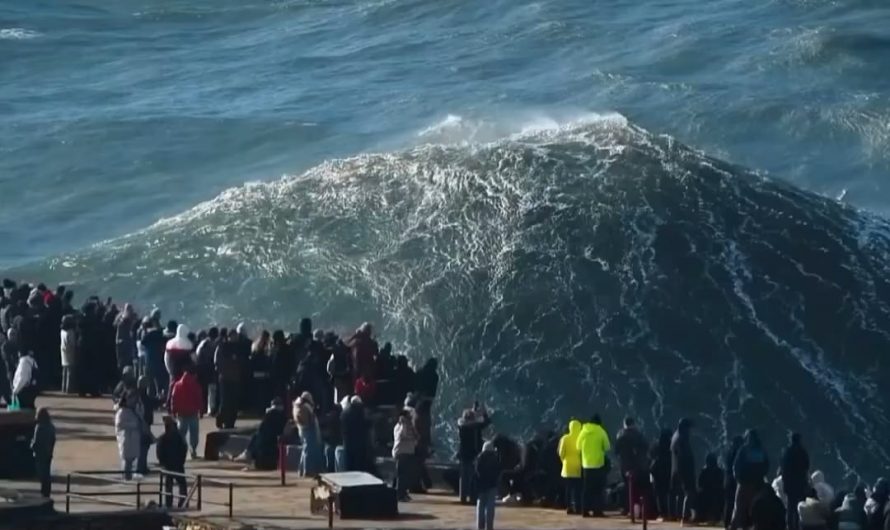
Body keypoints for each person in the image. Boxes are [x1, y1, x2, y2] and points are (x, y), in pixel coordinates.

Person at [733, 429, 771, 530]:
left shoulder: (744, 450)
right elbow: (766, 466)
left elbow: (736, 466)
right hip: (757, 484)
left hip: (745, 483)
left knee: (740, 508)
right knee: (755, 509)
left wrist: (738, 479)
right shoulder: (761, 450)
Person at [236, 398, 289, 470]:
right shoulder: (283, 418)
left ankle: (247, 453)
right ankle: (248, 453)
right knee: (257, 436)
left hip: (267, 455)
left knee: (256, 436)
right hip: (270, 454)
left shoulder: (269, 417)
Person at [577, 415, 611, 518]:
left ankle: (585, 511)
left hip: (586, 465)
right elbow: (607, 447)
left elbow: (578, 446)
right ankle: (597, 511)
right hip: (598, 465)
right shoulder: (601, 431)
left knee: (587, 490)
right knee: (598, 490)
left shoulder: (583, 431)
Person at [614, 417, 649, 516]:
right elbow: (646, 447)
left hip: (625, 466)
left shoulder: (621, 435)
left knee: (627, 487)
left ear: (624, 424)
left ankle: (628, 509)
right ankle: (638, 509)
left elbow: (616, 451)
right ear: (633, 424)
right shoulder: (639, 435)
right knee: (637, 488)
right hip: (638, 466)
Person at [458, 405, 491, 505]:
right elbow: (487, 421)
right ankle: (473, 498)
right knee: (473, 477)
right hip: (473, 454)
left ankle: (463, 498)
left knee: (464, 477)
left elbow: (468, 421)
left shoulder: (461, 426)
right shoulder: (475, 427)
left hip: (463, 454)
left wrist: (473, 411)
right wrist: (483, 413)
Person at [170, 366, 202, 459]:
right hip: (193, 412)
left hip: (181, 413)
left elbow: (174, 399)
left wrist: (173, 410)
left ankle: (181, 449)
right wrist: (201, 410)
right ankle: (193, 450)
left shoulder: (177, 385)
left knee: (181, 433)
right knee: (194, 433)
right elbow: (199, 398)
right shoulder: (195, 385)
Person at [156, 416, 188, 508]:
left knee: (169, 485)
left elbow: (159, 452)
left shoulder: (163, 438)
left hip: (169, 465)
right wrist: (182, 460)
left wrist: (162, 462)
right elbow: (184, 449)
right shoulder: (179, 437)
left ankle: (170, 503)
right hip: (177, 464)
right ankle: (182, 503)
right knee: (181, 484)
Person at [781, 433, 811, 530]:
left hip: (790, 485)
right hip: (801, 484)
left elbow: (783, 469)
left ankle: (790, 527)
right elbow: (807, 467)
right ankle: (799, 526)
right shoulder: (803, 452)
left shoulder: (787, 452)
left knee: (790, 507)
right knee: (800, 507)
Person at [215, 329, 242, 429]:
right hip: (225, 378)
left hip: (235, 378)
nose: (235, 338)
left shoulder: (238, 347)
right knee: (225, 401)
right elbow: (219, 362)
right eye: (233, 336)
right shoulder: (222, 347)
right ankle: (221, 418)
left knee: (233, 401)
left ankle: (230, 422)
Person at [294, 392, 324, 477]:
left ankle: (301, 470)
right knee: (308, 451)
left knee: (305, 451)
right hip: (308, 431)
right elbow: (310, 420)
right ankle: (307, 470)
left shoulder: (297, 405)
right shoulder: (306, 407)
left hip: (302, 430)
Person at [671, 418, 696, 523]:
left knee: (680, 493)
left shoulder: (675, 436)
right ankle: (685, 516)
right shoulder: (683, 438)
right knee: (689, 492)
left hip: (676, 469)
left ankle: (678, 514)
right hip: (684, 469)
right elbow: (685, 456)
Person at [115, 391, 143, 480]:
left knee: (131, 459)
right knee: (127, 459)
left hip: (133, 437)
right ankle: (126, 477)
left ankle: (128, 476)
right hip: (126, 437)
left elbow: (141, 418)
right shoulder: (122, 411)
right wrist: (134, 424)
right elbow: (120, 424)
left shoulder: (134, 410)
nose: (133, 400)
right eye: (131, 398)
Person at [393, 408, 419, 502]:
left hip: (409, 451)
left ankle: (404, 492)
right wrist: (404, 424)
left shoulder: (410, 426)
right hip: (401, 452)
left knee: (407, 475)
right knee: (401, 475)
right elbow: (402, 436)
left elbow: (416, 436)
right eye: (408, 416)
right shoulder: (399, 426)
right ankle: (399, 494)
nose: (410, 417)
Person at [558, 419, 583, 514]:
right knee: (577, 489)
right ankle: (578, 507)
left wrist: (563, 461)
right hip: (578, 466)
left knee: (568, 488)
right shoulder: (580, 438)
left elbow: (561, 453)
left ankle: (568, 507)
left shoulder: (565, 438)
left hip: (567, 466)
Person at [341, 395, 371, 473]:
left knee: (349, 464)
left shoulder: (345, 412)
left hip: (347, 442)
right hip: (359, 443)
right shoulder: (360, 412)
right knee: (358, 466)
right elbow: (365, 425)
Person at [31, 408, 56, 498]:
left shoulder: (39, 427)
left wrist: (32, 447)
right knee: (47, 473)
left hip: (40, 454)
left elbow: (36, 442)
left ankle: (43, 492)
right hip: (48, 453)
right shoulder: (51, 427)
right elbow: (53, 440)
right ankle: (47, 492)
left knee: (41, 473)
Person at [475, 441, 501, 530]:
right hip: (492, 485)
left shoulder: (480, 458)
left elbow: (477, 471)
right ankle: (489, 526)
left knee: (480, 506)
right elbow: (498, 471)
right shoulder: (495, 459)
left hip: (482, 485)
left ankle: (480, 526)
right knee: (490, 506)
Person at [164, 324, 193, 399]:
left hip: (172, 368)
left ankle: (169, 403)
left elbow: (166, 358)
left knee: (172, 386)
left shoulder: (170, 343)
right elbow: (193, 358)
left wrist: (169, 370)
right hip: (184, 370)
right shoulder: (188, 344)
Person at [651, 428, 673, 520]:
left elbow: (651, 455)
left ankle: (662, 513)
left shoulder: (656, 444)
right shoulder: (671, 445)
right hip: (667, 471)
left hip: (657, 471)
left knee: (659, 494)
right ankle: (669, 512)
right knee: (668, 493)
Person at [699, 452, 725, 524]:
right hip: (714, 493)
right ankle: (716, 516)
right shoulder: (719, 471)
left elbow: (700, 484)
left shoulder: (704, 471)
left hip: (709, 493)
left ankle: (703, 516)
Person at [114, 303, 138, 372]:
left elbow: (115, 324)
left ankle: (123, 374)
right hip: (125, 340)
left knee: (121, 360)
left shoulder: (120, 317)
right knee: (127, 359)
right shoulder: (126, 319)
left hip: (119, 340)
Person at [60, 315, 76, 394]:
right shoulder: (70, 331)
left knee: (64, 370)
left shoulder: (62, 331)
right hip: (70, 351)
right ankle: (69, 388)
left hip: (63, 350)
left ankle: (63, 387)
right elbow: (72, 343)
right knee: (70, 371)